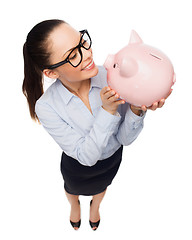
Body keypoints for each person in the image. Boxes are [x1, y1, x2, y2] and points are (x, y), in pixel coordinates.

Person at [22, 19, 169, 230]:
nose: (87, 54)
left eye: (82, 42)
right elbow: (86, 157)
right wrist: (108, 111)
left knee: (102, 186)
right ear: (51, 73)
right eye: (73, 55)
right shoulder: (46, 107)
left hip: (111, 159)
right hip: (77, 167)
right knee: (72, 189)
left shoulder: (114, 76)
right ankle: (74, 206)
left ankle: (95, 207)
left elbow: (124, 140)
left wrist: (138, 107)